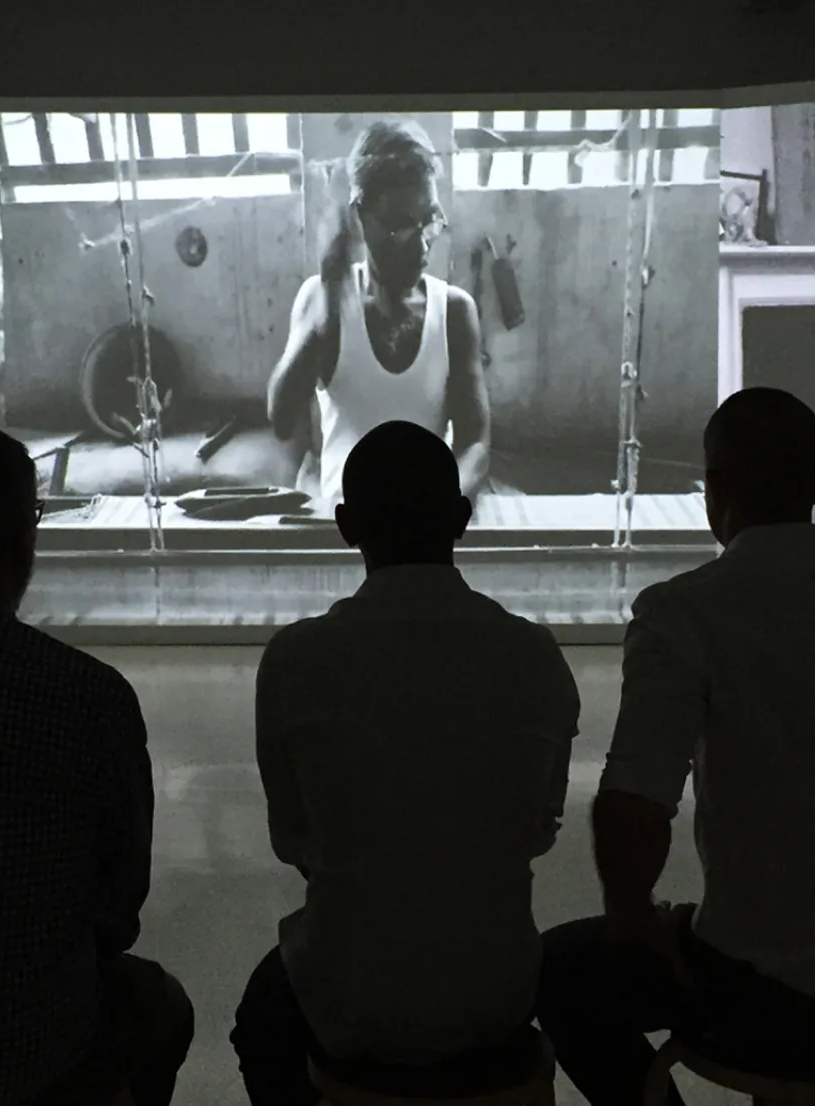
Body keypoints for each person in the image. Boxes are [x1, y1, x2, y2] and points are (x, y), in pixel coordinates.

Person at [231, 420, 580, 1106]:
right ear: (462, 518)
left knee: (261, 1023)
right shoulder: (534, 656)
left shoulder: (296, 662)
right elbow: (537, 830)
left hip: (345, 996)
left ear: (345, 526)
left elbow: (292, 841)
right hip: (496, 993)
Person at [536, 386, 815, 1106]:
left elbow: (635, 801)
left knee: (560, 973)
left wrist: (634, 914)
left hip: (764, 989)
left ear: (715, 490)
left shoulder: (684, 612)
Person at [0, 420, 194, 1106]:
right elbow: (118, 910)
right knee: (158, 1005)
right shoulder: (86, 696)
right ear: (25, 536)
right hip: (37, 1057)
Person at [266, 117, 491, 506]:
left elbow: (475, 443)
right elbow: (282, 421)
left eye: (428, 222)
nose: (421, 247)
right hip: (345, 519)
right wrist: (329, 298)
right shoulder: (323, 300)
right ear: (359, 219)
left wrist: (444, 501)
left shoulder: (454, 312)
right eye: (399, 227)